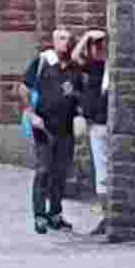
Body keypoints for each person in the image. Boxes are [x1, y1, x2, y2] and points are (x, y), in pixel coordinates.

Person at [23, 29, 84, 235]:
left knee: (60, 172)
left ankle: (55, 214)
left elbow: (80, 96)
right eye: (61, 38)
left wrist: (75, 97)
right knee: (43, 171)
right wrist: (31, 114)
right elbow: (24, 89)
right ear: (53, 42)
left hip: (66, 128)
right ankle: (40, 216)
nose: (65, 42)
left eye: (68, 38)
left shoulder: (75, 69)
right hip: (44, 127)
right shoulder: (42, 62)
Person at [74, 29, 110, 215]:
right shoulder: (95, 66)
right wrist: (86, 36)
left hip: (105, 121)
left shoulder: (111, 67)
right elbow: (75, 57)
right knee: (101, 163)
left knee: (105, 162)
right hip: (96, 122)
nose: (97, 49)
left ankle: (106, 204)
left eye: (99, 45)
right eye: (94, 46)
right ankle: (104, 203)